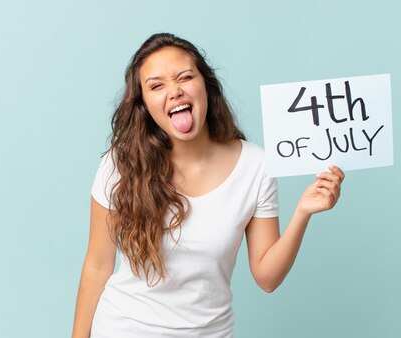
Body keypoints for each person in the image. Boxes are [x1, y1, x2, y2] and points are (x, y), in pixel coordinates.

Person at [71, 33, 344, 338]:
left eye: (185, 77)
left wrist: (303, 212)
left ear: (206, 85)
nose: (174, 92)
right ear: (144, 104)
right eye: (156, 86)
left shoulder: (256, 165)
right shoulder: (121, 162)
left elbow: (267, 277)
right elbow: (97, 266)